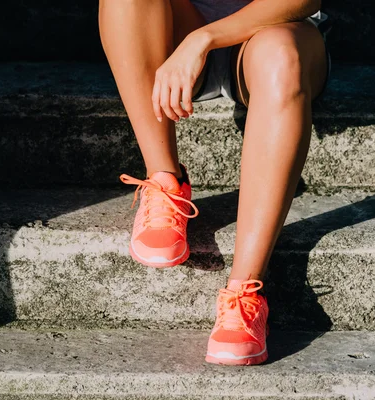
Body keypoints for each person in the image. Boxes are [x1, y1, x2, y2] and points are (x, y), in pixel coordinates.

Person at [98, 0, 330, 366]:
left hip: (277, 29)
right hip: (174, 26)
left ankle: (244, 292)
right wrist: (191, 36)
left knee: (281, 57)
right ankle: (165, 180)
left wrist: (204, 38)